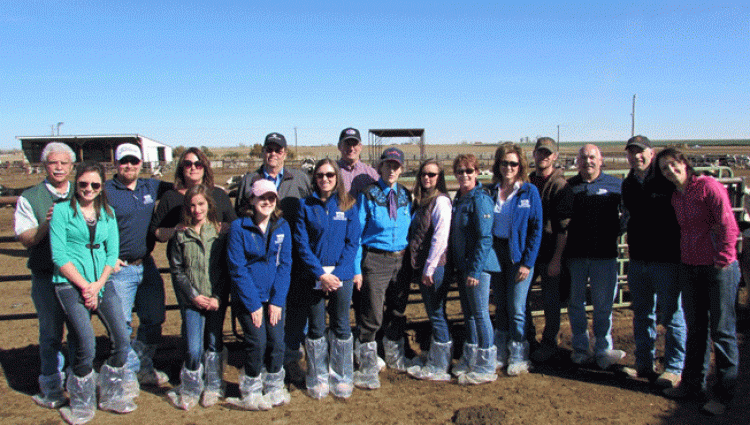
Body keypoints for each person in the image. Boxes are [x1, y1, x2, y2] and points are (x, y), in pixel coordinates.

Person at [655, 148, 741, 416]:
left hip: (717, 268)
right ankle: (693, 385)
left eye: (673, 165)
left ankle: (724, 394)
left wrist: (723, 258)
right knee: (697, 329)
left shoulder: (708, 186)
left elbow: (728, 222)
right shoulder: (677, 197)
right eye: (664, 169)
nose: (670, 171)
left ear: (683, 163)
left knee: (722, 330)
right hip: (690, 266)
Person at [50, 161, 136, 424]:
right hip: (69, 284)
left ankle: (111, 393)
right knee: (85, 343)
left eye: (95, 184)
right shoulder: (62, 211)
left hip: (102, 282)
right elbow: (59, 254)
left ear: (102, 187)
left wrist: (98, 284)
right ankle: (81, 402)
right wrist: (84, 285)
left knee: (121, 338)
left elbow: (112, 253)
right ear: (76, 184)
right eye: (83, 184)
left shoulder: (107, 213)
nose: (89, 189)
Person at [234, 132, 311, 382]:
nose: (274, 154)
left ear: (285, 153)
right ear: (263, 152)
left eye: (279, 150)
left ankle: (290, 358)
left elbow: (310, 210)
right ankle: (265, 366)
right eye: (270, 149)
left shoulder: (299, 178)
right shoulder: (250, 180)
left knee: (295, 309)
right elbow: (240, 214)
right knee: (266, 316)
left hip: (293, 258)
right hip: (259, 259)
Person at [104, 143, 172, 392]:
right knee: (121, 325)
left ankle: (142, 364)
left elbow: (181, 187)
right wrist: (106, 258)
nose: (129, 166)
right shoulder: (106, 191)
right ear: (116, 163)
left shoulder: (149, 186)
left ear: (140, 162)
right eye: (124, 161)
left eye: (133, 161)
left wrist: (212, 189)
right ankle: (128, 373)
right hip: (119, 268)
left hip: (146, 263)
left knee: (155, 317)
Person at [14, 142, 76, 409]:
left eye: (64, 163)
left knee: (78, 330)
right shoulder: (30, 197)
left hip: (77, 276)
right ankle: (51, 383)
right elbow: (26, 238)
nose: (59, 167)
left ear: (72, 166)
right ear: (44, 166)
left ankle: (77, 380)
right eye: (53, 163)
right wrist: (47, 224)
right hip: (46, 275)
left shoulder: (85, 190)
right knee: (50, 332)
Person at [621, 136, 685, 388]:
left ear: (651, 153)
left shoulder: (665, 180)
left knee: (671, 314)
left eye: (641, 152)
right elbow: (628, 216)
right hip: (638, 258)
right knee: (642, 314)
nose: (636, 156)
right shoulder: (628, 184)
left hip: (666, 258)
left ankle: (673, 367)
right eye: (631, 152)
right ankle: (644, 364)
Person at [294, 159, 360, 399]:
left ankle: (342, 376)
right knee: (316, 327)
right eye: (320, 175)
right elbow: (302, 244)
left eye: (330, 175)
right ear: (315, 178)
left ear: (337, 178)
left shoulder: (348, 205)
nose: (325, 179)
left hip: (341, 276)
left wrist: (338, 274)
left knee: (341, 324)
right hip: (315, 275)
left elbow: (352, 243)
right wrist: (321, 274)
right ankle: (318, 376)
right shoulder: (305, 206)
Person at [227, 179, 292, 410]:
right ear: (252, 200)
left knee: (277, 341)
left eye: (271, 198)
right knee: (257, 342)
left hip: (273, 297)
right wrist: (253, 303)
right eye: (262, 197)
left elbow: (285, 265)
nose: (267, 202)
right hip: (249, 297)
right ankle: (251, 390)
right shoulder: (239, 228)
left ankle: (274, 386)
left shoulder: (282, 226)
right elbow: (238, 268)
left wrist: (277, 300)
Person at [352, 147, 413, 390]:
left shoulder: (406, 195)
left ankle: (395, 357)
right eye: (388, 165)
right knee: (372, 314)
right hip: (375, 260)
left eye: (396, 166)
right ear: (380, 167)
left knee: (397, 309)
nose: (392, 170)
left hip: (401, 259)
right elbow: (356, 234)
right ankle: (367, 363)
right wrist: (357, 267)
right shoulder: (368, 195)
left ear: (401, 169)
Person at [166, 185, 228, 410]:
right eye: (192, 205)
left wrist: (218, 297)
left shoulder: (218, 233)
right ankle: (191, 386)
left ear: (209, 205)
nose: (196, 209)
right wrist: (193, 296)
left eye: (201, 204)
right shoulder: (181, 235)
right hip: (192, 301)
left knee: (214, 342)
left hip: (214, 300)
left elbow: (223, 269)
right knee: (193, 347)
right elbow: (177, 270)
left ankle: (213, 385)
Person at [565, 144, 626, 369]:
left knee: (603, 305)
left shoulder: (615, 185)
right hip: (576, 255)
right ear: (577, 162)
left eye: (592, 157)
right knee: (576, 304)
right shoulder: (569, 186)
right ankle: (580, 349)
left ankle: (603, 349)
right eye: (583, 158)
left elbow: (628, 212)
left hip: (605, 255)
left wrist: (617, 231)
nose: (588, 161)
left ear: (600, 160)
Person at [488, 143, 543, 376]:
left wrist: (527, 263)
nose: (508, 167)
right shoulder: (491, 191)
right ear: (498, 165)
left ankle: (519, 353)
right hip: (496, 253)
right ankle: (500, 352)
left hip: (518, 254)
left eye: (513, 163)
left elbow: (536, 228)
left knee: (517, 306)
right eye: (504, 163)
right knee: (500, 305)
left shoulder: (529, 192)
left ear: (520, 166)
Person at [449, 154, 499, 385]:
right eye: (460, 171)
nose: (465, 175)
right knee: (468, 314)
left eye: (469, 171)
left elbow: (485, 237)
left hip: (477, 267)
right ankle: (471, 357)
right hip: (464, 266)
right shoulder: (460, 198)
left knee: (480, 313)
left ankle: (487, 363)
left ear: (477, 172)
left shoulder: (480, 199)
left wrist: (476, 270)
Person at [404, 159, 453, 381]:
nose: (427, 178)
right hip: (426, 265)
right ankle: (437, 358)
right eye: (424, 174)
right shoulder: (422, 201)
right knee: (434, 312)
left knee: (436, 313)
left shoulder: (440, 202)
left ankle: (441, 364)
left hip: (435, 266)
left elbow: (440, 238)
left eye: (432, 175)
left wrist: (429, 268)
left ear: (439, 177)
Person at [526, 138, 573, 364]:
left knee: (550, 300)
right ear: (533, 154)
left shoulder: (560, 186)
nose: (543, 157)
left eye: (548, 153)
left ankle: (548, 342)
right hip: (529, 252)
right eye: (540, 153)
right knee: (520, 297)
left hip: (548, 251)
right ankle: (527, 338)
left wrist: (557, 258)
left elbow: (564, 227)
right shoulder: (528, 182)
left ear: (554, 156)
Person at [337, 127, 379, 196]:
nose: (351, 148)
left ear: (360, 147)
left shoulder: (371, 173)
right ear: (339, 146)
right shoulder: (331, 172)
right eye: (347, 144)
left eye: (354, 144)